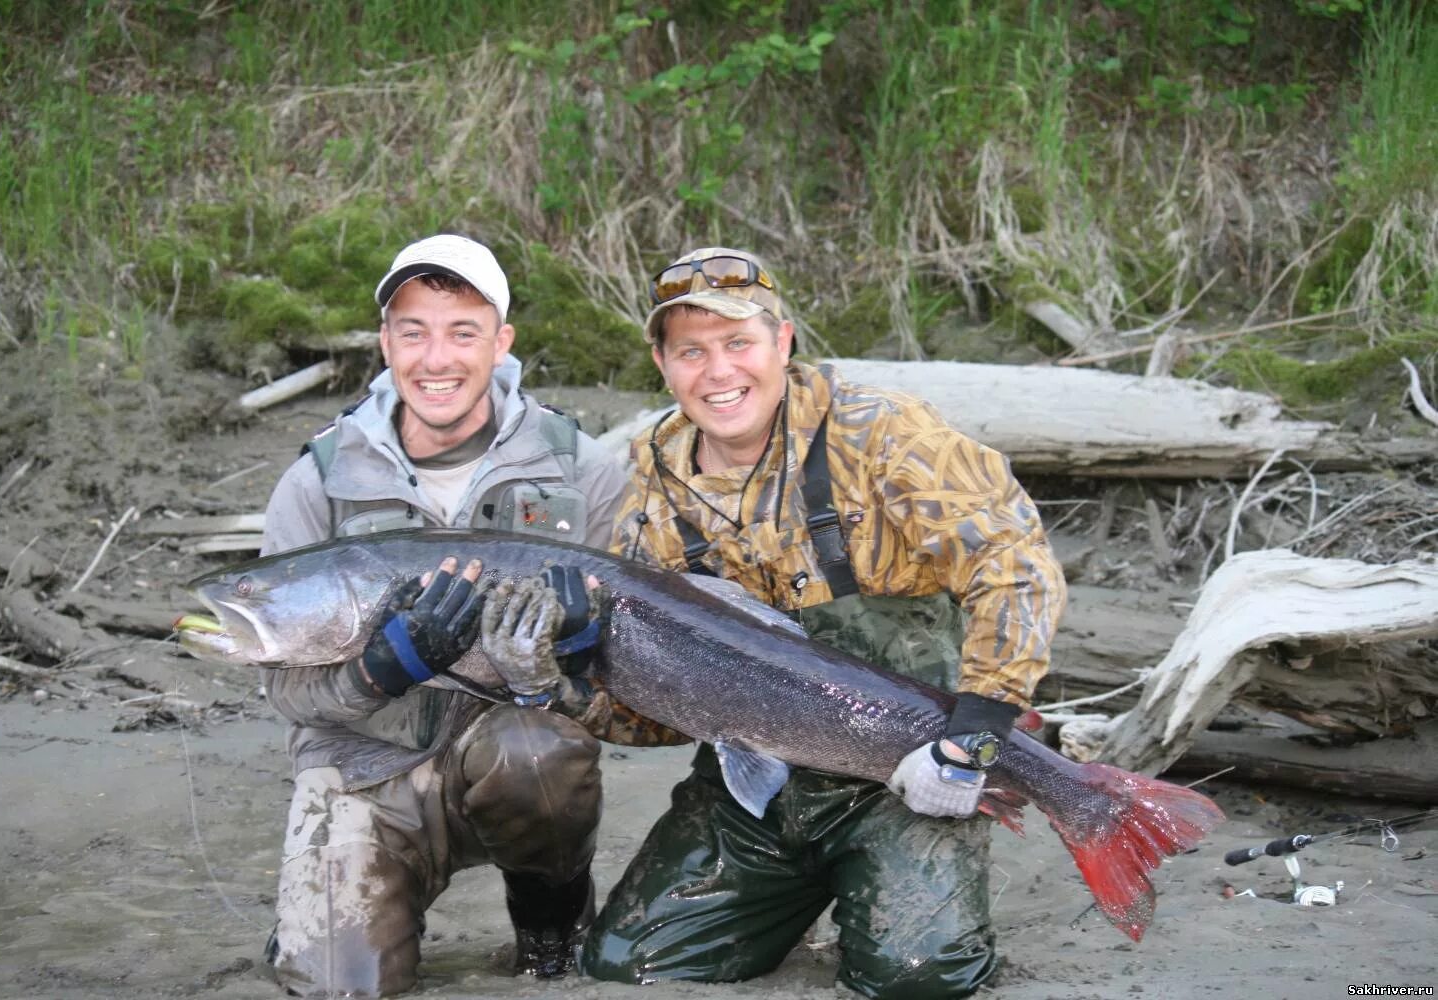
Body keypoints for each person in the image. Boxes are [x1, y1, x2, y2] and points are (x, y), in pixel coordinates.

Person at [551, 246, 1065, 999]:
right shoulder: (649, 486)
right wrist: (577, 674)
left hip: (912, 772)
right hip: (758, 785)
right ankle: (805, 887)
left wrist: (977, 737)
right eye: (691, 351)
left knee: (915, 978)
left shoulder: (883, 432)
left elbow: (1015, 566)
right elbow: (658, 721)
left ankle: (887, 880)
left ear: (782, 342)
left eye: (738, 343)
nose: (718, 372)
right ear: (662, 363)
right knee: (627, 965)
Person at [256, 234, 628, 997]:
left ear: (502, 342)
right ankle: (335, 909)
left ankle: (551, 924)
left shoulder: (582, 468)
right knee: (335, 985)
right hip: (364, 773)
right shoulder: (315, 483)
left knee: (540, 756)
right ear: (386, 341)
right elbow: (286, 690)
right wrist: (376, 670)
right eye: (413, 331)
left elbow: (622, 676)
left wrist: (575, 649)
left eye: (463, 332)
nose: (437, 359)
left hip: (509, 754)